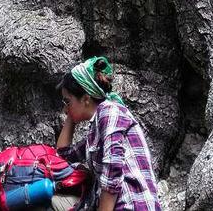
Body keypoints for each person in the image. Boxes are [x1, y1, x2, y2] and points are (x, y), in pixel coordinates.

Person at [56, 57, 161, 211]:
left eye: (67, 101)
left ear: (86, 99)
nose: (65, 109)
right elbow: (62, 155)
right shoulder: (95, 131)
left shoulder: (109, 111)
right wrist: (71, 114)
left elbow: (112, 173)